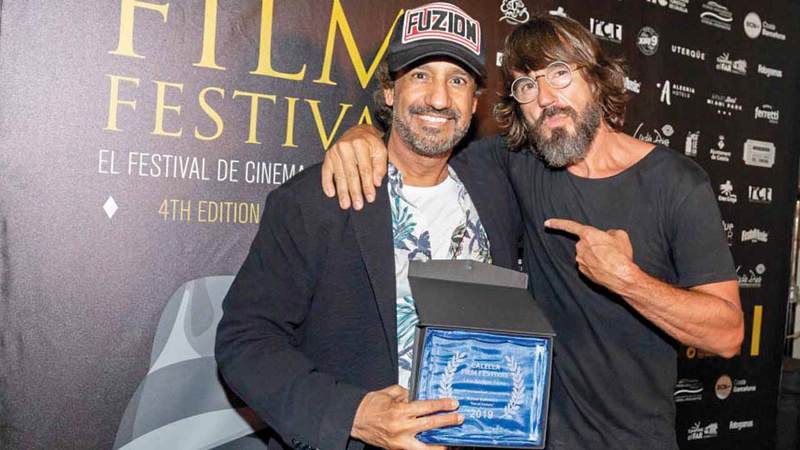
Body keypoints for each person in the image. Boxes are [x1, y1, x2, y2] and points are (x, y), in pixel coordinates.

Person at [320, 14, 744, 449]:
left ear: (597, 80)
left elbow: (727, 335)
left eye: (559, 74)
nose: (545, 98)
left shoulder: (676, 183)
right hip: (526, 438)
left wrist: (627, 280)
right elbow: (424, 140)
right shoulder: (518, 162)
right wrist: (362, 134)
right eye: (526, 86)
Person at [215, 3, 522, 450]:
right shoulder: (316, 200)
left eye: (457, 80)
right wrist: (353, 415)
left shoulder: (497, 190)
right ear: (390, 92)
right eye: (420, 75)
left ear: (475, 103)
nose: (439, 99)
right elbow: (245, 341)